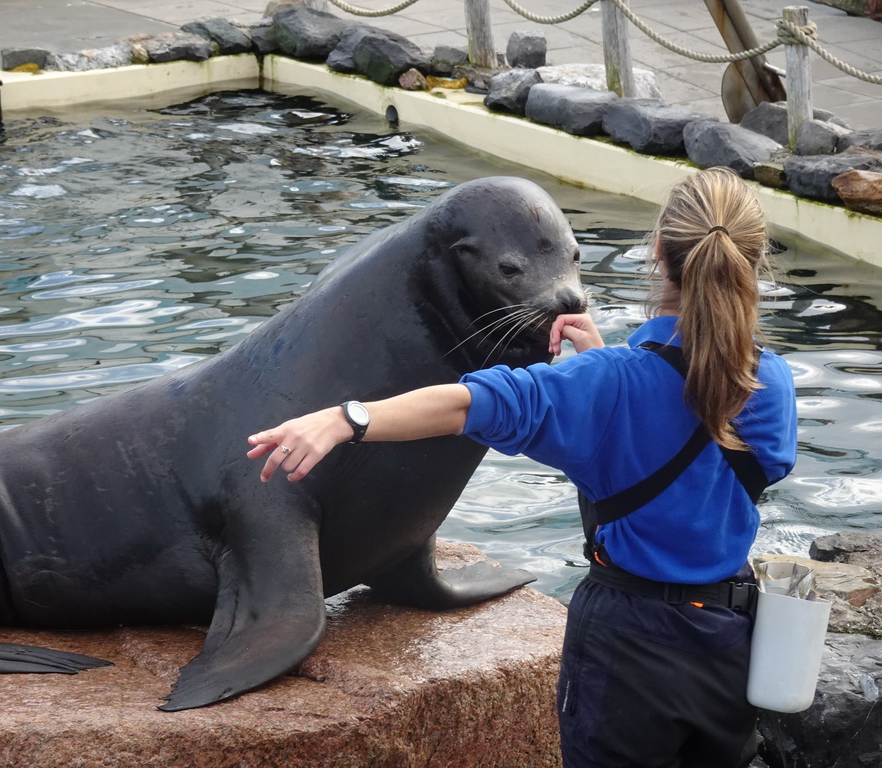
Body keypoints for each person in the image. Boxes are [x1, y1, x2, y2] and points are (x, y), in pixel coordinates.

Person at [246, 167, 797, 768]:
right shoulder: (771, 382)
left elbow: (468, 404)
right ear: (750, 261)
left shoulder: (605, 385)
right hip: (725, 638)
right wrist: (610, 366)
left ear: (658, 253)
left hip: (630, 646)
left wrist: (345, 419)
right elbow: (732, 458)